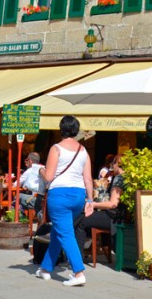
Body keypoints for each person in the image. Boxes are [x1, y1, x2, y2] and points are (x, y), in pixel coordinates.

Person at [37, 115, 93, 287]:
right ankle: (46, 268)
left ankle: (78, 272)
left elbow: (49, 176)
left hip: (60, 195)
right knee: (59, 232)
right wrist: (90, 200)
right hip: (78, 195)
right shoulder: (83, 150)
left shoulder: (56, 149)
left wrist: (40, 171)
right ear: (76, 131)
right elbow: (88, 179)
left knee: (65, 233)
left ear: (61, 129)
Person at [75, 154, 124, 254]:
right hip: (119, 216)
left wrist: (93, 204)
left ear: (116, 164)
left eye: (113, 163)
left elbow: (113, 204)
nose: (112, 166)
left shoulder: (119, 179)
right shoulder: (129, 177)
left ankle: (76, 256)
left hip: (112, 217)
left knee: (81, 220)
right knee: (82, 217)